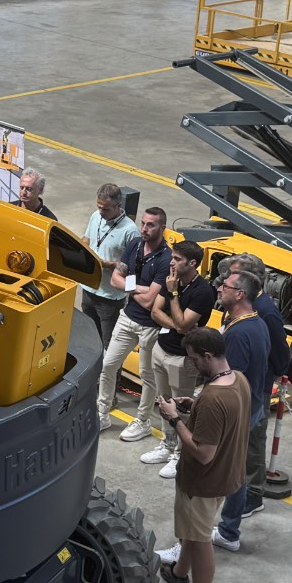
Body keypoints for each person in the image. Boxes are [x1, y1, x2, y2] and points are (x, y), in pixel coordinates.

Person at [153, 326, 249, 583]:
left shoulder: (211, 399)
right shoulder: (238, 381)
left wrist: (174, 418)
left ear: (208, 356)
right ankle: (179, 575)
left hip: (202, 481)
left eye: (194, 359)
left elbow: (203, 452)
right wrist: (194, 409)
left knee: (199, 538)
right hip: (226, 475)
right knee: (193, 533)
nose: (191, 364)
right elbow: (224, 421)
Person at [210, 253, 290, 546]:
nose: (221, 284)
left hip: (249, 397)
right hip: (253, 393)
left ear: (245, 286)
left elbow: (239, 375)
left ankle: (251, 498)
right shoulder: (247, 314)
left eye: (230, 280)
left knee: (247, 452)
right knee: (243, 456)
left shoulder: (261, 314)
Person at [140, 240, 218, 479]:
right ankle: (167, 445)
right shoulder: (171, 278)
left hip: (183, 359)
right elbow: (156, 312)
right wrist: (179, 325)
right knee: (164, 403)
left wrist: (173, 294)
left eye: (176, 259)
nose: (171, 262)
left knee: (182, 409)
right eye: (172, 258)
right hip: (161, 349)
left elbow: (185, 326)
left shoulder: (203, 291)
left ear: (192, 263)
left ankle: (180, 453)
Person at [100, 206, 171, 434]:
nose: (144, 228)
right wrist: (140, 288)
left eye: (150, 225)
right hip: (127, 317)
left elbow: (151, 302)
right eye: (143, 223)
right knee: (108, 365)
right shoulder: (135, 245)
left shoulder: (166, 258)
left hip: (150, 326)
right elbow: (115, 280)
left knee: (147, 376)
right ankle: (102, 414)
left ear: (162, 227)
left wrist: (131, 287)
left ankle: (143, 421)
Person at [80, 184, 139, 349]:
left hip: (109, 298)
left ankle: (111, 375)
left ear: (118, 206)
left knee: (109, 345)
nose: (101, 212)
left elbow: (134, 269)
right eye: (99, 207)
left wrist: (110, 265)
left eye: (105, 209)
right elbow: (87, 239)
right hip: (89, 289)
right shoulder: (96, 216)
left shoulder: (130, 231)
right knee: (91, 340)